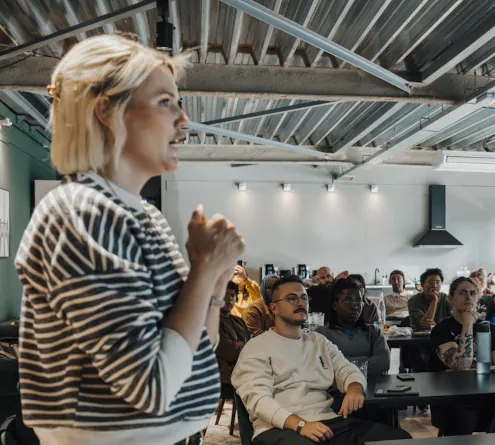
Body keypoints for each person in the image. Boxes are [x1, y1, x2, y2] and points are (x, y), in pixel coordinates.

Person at [14, 35, 245, 445]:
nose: (184, 120)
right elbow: (151, 386)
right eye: (164, 103)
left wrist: (215, 282)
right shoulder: (81, 213)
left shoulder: (145, 216)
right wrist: (204, 268)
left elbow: (196, 348)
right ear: (107, 110)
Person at [231, 275, 411, 445]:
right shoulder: (257, 347)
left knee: (400, 439)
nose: (301, 302)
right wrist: (300, 425)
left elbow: (345, 369)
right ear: (274, 308)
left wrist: (354, 386)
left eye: (304, 297)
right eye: (292, 298)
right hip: (278, 428)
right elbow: (258, 400)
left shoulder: (318, 341)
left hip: (327, 422)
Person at [429, 277, 495, 436]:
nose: (468, 297)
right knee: (461, 417)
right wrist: (468, 324)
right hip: (454, 397)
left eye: (472, 293)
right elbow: (461, 365)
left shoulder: (492, 329)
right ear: (451, 299)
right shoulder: (441, 330)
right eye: (462, 293)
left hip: (488, 394)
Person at [317, 279, 390, 376]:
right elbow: (322, 367)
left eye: (358, 301)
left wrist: (340, 364)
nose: (354, 306)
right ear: (335, 305)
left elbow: (383, 363)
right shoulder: (321, 335)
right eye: (348, 300)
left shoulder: (373, 332)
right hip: (335, 389)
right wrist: (365, 362)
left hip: (373, 387)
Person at [218, 281, 251, 385]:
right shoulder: (212, 321)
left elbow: (253, 343)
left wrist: (240, 344)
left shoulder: (238, 320)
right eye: (224, 294)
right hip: (227, 375)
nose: (229, 299)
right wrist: (245, 345)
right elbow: (230, 352)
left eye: (232, 295)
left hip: (246, 369)